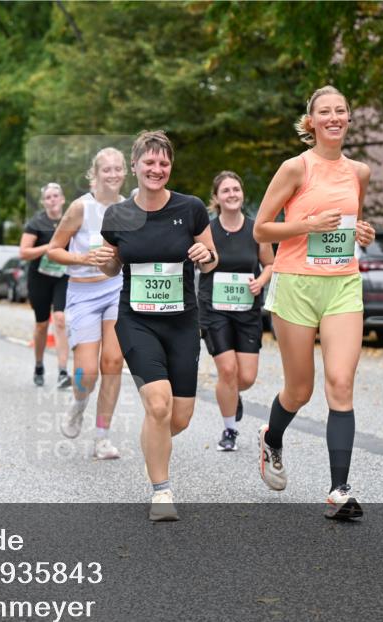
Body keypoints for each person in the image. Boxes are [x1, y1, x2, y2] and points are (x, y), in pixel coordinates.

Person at [253, 85, 376, 520]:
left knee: (341, 383)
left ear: (348, 118)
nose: (334, 117)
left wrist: (363, 231)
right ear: (312, 122)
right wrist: (306, 224)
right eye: (325, 111)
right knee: (300, 389)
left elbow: (350, 221)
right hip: (296, 286)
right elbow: (261, 230)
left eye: (341, 110)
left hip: (343, 284)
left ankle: (339, 489)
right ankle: (272, 437)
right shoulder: (295, 168)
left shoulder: (359, 172)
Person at [95, 131, 218, 521]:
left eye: (163, 163)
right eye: (149, 162)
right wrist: (105, 263)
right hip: (136, 320)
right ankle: (161, 492)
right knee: (159, 404)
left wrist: (205, 254)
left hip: (182, 322)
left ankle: (152, 442)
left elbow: (211, 258)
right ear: (135, 166)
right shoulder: (117, 215)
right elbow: (115, 264)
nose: (156, 169)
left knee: (176, 418)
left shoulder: (192, 207)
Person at [47, 148, 127, 460]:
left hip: (115, 289)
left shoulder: (129, 208)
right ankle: (79, 403)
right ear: (94, 174)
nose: (113, 174)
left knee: (113, 363)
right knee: (86, 373)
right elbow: (54, 249)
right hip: (82, 293)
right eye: (106, 169)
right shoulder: (81, 208)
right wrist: (82, 257)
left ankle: (102, 438)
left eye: (118, 168)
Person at [198, 171, 274, 452]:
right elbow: (200, 263)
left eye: (236, 189)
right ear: (216, 198)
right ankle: (229, 430)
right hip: (214, 310)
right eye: (226, 191)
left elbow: (270, 264)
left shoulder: (257, 230)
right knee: (227, 371)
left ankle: (233, 394)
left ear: (242, 194)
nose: (232, 194)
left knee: (246, 377)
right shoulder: (207, 231)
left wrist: (261, 281)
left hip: (246, 311)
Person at [20, 182, 70, 388]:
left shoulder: (70, 220)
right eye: (48, 197)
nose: (52, 200)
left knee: (60, 319)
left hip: (62, 276)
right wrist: (48, 247)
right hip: (39, 278)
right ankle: (39, 365)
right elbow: (23, 252)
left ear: (62, 199)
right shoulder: (36, 223)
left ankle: (63, 371)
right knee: (42, 325)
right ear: (44, 202)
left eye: (55, 196)